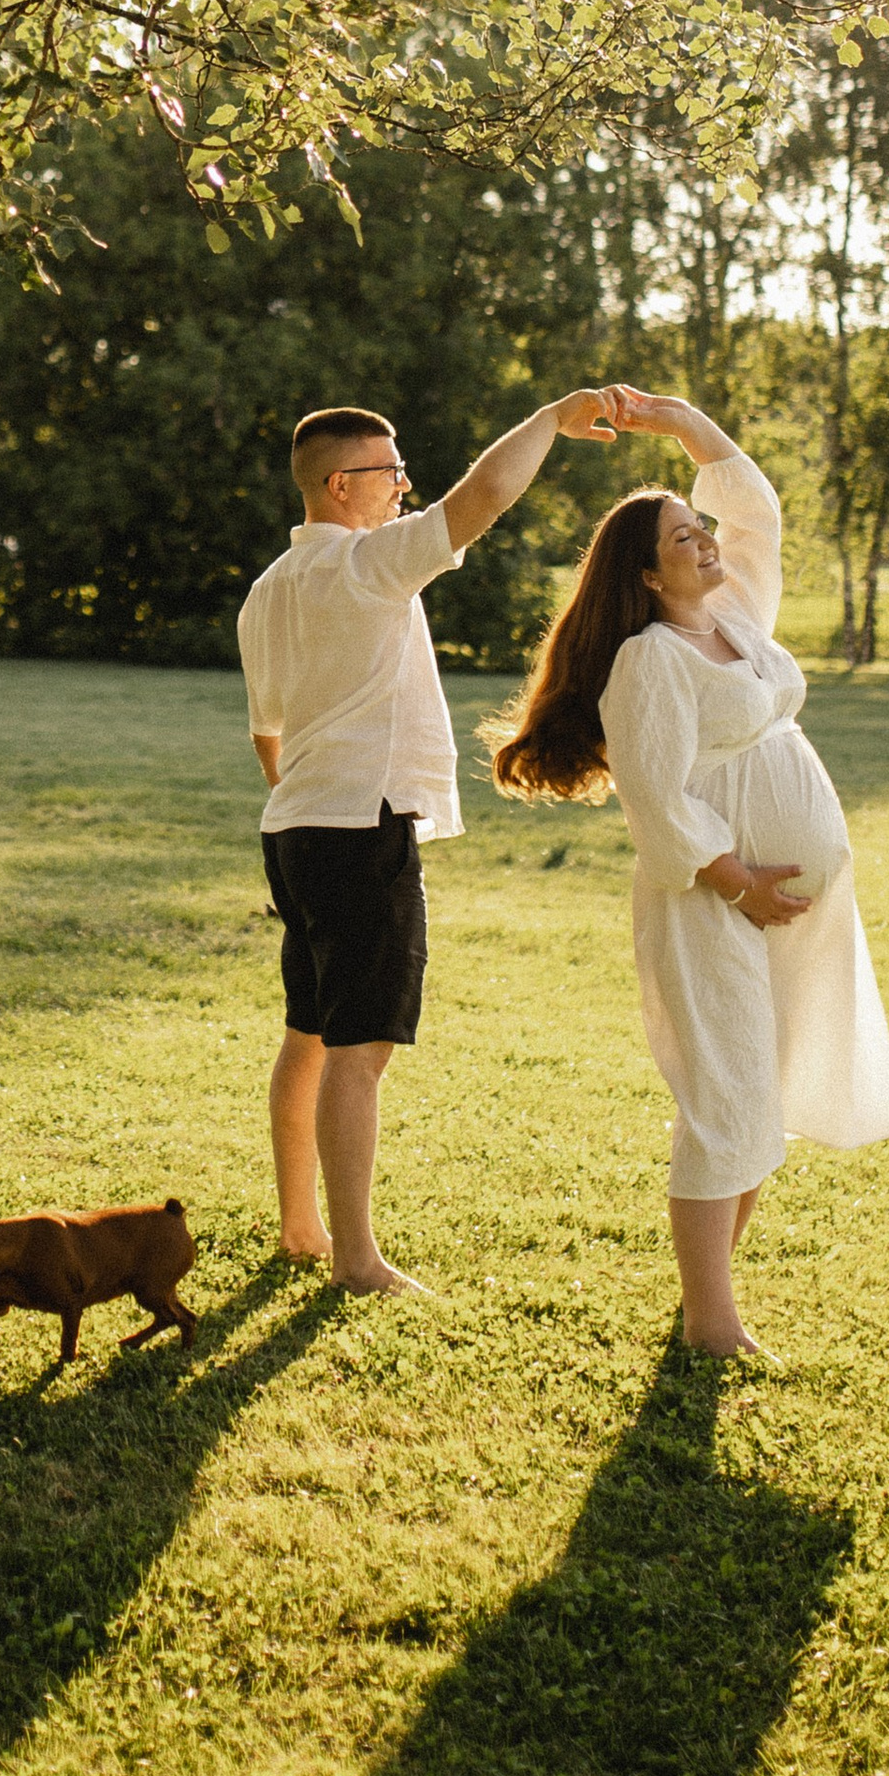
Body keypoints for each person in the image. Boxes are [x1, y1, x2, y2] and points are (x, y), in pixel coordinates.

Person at [490, 387, 889, 1354]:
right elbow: (656, 796)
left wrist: (678, 418)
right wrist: (740, 882)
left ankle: (700, 1310)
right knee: (726, 1098)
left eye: (697, 530)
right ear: (645, 574)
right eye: (684, 539)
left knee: (763, 1097)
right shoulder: (650, 660)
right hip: (715, 901)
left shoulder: (741, 620)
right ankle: (713, 1325)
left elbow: (755, 508)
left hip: (790, 906)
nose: (707, 543)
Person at [240, 390, 620, 1292]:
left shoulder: (267, 590)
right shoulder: (367, 565)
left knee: (308, 1034)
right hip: (358, 827)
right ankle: (355, 1259)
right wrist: (550, 420)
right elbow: (480, 500)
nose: (405, 482)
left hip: (295, 827)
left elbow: (269, 732)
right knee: (359, 1050)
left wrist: (307, 799)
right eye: (390, 469)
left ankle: (303, 1227)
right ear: (341, 485)